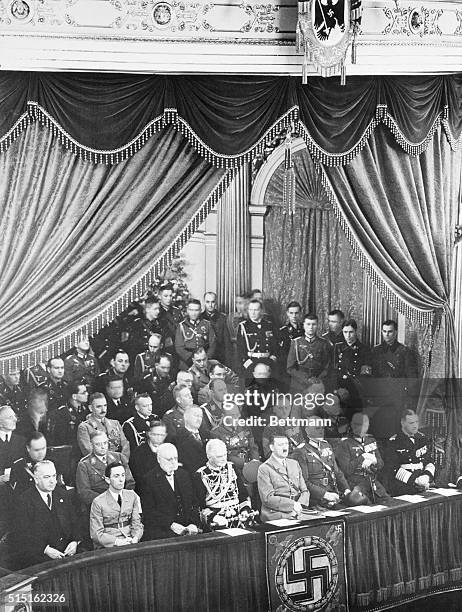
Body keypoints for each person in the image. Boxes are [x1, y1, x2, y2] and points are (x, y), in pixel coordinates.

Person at [13, 460, 81, 568]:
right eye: (46, 477)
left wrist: (75, 542)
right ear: (36, 479)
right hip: (39, 556)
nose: (52, 481)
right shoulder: (24, 501)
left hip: (67, 552)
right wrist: (45, 549)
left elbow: (75, 522)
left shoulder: (64, 495)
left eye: (54, 476)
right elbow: (23, 535)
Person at [369, 320, 419, 439]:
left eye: (390, 332)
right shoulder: (375, 351)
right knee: (379, 430)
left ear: (395, 332)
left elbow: (412, 379)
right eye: (384, 331)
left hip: (397, 398)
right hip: (379, 397)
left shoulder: (404, 352)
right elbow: (371, 377)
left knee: (395, 430)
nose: (387, 334)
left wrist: (408, 399)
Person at [142, 442, 200, 540]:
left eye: (175, 458)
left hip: (188, 527)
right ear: (159, 459)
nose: (173, 462)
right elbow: (149, 512)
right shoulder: (148, 480)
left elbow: (194, 503)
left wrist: (193, 523)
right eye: (169, 459)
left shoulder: (184, 475)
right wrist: (171, 525)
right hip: (164, 530)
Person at [193, 439, 251, 530]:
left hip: (238, 519)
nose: (224, 459)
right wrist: (213, 517)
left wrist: (245, 510)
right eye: (219, 456)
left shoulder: (232, 468)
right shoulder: (201, 474)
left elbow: (243, 495)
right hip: (215, 522)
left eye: (225, 455)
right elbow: (199, 505)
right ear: (209, 457)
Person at [291, 422, 350, 508]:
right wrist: (325, 494)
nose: (321, 431)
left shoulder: (326, 446)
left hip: (334, 494)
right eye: (317, 428)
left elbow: (337, 472)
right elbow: (303, 483)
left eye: (322, 428)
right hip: (316, 500)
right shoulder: (300, 451)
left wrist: (346, 489)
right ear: (307, 430)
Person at [335, 413, 388, 502]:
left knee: (390, 504)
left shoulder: (371, 440)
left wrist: (374, 460)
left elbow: (381, 464)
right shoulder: (344, 444)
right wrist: (362, 457)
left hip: (372, 482)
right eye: (358, 424)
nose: (362, 428)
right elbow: (346, 470)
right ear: (352, 425)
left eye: (365, 425)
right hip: (356, 485)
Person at [89, 461, 143, 548]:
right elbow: (96, 533)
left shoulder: (132, 496)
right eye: (116, 476)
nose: (121, 480)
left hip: (131, 540)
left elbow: (137, 523)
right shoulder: (98, 502)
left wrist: (135, 538)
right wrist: (117, 542)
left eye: (123, 475)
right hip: (110, 544)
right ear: (107, 480)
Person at [76, 432, 135, 510]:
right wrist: (108, 500)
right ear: (91, 445)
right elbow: (84, 492)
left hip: (123, 502)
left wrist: (124, 498)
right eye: (98, 444)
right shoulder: (84, 464)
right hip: (100, 506)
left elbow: (130, 482)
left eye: (105, 443)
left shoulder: (119, 457)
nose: (103, 447)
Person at [257, 434, 310, 522]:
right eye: (280, 445)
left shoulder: (294, 463)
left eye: (286, 444)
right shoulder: (264, 468)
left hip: (298, 512)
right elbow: (268, 499)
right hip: (276, 515)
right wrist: (292, 505)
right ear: (272, 447)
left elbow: (305, 491)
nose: (285, 448)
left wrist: (299, 505)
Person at [384, 409, 435, 496]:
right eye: (411, 423)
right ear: (402, 423)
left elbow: (429, 461)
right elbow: (393, 468)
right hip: (403, 488)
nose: (415, 426)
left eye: (416, 422)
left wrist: (426, 477)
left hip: (424, 485)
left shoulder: (422, 439)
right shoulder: (393, 442)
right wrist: (415, 481)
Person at [334, 319, 371, 416]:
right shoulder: (337, 348)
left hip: (356, 392)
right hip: (339, 391)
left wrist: (354, 390)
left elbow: (365, 376)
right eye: (345, 332)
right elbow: (333, 371)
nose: (348, 335)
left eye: (351, 332)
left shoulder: (364, 350)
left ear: (356, 331)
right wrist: (337, 390)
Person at [77, 393, 130, 461]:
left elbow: (125, 445)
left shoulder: (115, 423)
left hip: (119, 465)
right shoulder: (84, 427)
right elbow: (88, 450)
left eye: (105, 406)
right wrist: (111, 462)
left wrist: (122, 461)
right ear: (90, 408)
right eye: (99, 406)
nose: (103, 409)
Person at [287, 313, 331, 393]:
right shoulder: (296, 342)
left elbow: (327, 367)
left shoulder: (323, 343)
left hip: (317, 383)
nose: (311, 327)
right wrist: (305, 379)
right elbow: (290, 368)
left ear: (317, 325)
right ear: (303, 325)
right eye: (308, 324)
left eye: (314, 324)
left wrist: (318, 379)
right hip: (299, 384)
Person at [210, 402, 260, 473]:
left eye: (237, 414)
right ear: (223, 416)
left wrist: (255, 462)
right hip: (230, 470)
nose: (236, 418)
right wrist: (244, 464)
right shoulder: (215, 433)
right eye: (232, 415)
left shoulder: (245, 427)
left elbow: (253, 447)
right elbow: (224, 457)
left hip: (250, 467)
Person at [236, 299, 278, 381]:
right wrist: (249, 364)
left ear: (261, 311)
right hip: (251, 363)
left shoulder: (269, 325)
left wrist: (271, 362)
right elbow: (240, 350)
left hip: (268, 362)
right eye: (250, 310)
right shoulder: (243, 326)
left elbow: (275, 346)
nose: (253, 313)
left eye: (256, 310)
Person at [175, 299, 217, 370]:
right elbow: (179, 347)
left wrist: (205, 359)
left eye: (196, 310)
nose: (194, 313)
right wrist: (191, 360)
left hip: (204, 361)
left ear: (200, 310)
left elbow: (213, 344)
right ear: (187, 310)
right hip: (187, 362)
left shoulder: (207, 324)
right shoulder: (182, 326)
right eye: (191, 310)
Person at [129, 421, 167, 493]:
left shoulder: (168, 450)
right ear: (149, 434)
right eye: (156, 434)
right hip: (147, 491)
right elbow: (139, 479)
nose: (159, 438)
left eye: (162, 435)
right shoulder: (138, 453)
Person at [47, 381, 89, 447]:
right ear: (74, 396)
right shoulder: (62, 413)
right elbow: (61, 439)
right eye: (83, 393)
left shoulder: (85, 410)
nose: (87, 394)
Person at [135, 352, 175, 417]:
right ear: (156, 365)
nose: (166, 371)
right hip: (152, 411)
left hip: (167, 411)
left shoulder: (171, 375)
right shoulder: (147, 378)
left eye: (168, 368)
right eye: (163, 367)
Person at [175, 405, 208, 474]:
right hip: (191, 475)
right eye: (196, 416)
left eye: (201, 416)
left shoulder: (208, 434)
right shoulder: (178, 438)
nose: (199, 419)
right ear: (186, 417)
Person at [201, 292, 232, 367]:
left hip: (219, 357)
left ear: (216, 303)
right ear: (204, 302)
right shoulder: (200, 317)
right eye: (208, 302)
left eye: (213, 302)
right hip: (203, 357)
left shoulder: (223, 318)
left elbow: (227, 342)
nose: (210, 305)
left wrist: (227, 364)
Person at [278, 301, 303, 388]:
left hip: (303, 369)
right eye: (291, 313)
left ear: (300, 313)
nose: (294, 316)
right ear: (287, 313)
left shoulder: (305, 330)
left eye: (296, 313)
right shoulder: (283, 332)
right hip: (288, 370)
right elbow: (282, 356)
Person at [157, 282, 184, 348]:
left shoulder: (176, 311)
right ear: (159, 296)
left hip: (177, 345)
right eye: (165, 296)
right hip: (161, 345)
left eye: (170, 296)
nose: (169, 299)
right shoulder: (156, 311)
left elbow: (182, 328)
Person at [227, 293, 248, 372]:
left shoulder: (250, 318)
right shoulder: (230, 317)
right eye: (236, 303)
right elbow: (226, 338)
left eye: (241, 303)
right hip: (232, 352)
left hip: (245, 353)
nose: (238, 306)